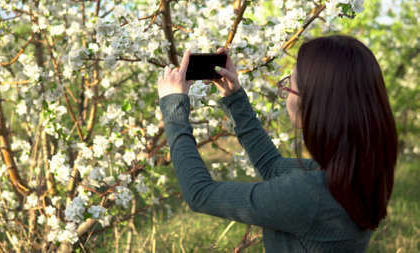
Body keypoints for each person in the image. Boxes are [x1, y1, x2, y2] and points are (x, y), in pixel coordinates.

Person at [156, 35, 398, 252]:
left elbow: (200, 194)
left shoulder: (309, 195)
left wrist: (173, 108)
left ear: (314, 103)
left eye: (289, 85)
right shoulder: (355, 177)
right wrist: (235, 97)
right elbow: (272, 166)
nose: (284, 92)